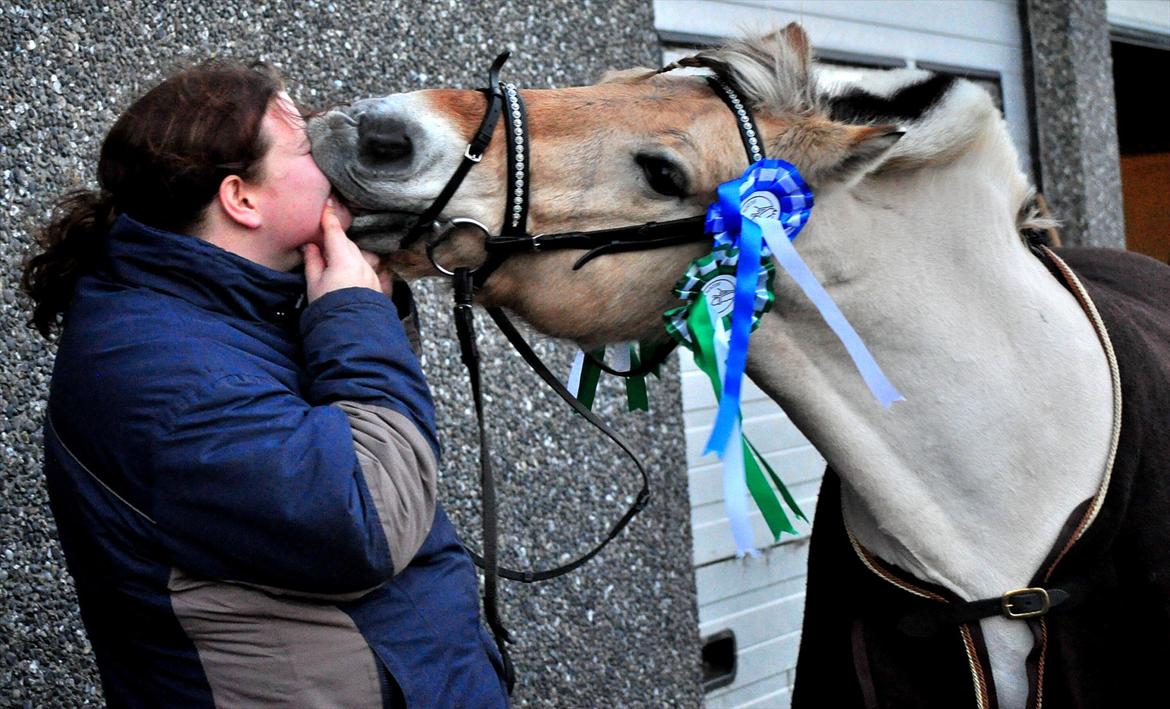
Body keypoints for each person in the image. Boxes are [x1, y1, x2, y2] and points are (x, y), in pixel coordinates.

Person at [22, 60, 508, 707]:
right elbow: (369, 516)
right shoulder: (169, 386)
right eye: (307, 142)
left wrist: (350, 309)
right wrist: (354, 315)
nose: (337, 154)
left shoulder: (225, 304)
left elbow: (355, 425)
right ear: (240, 199)